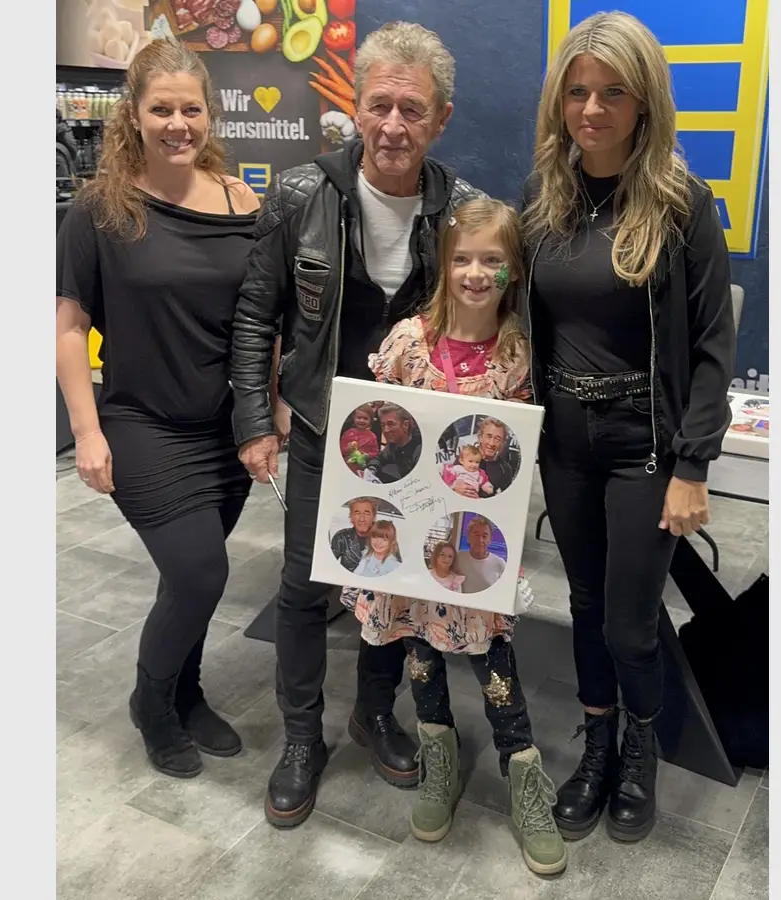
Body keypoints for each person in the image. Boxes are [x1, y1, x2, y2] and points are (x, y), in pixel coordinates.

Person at [227, 21, 486, 828]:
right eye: (380, 105)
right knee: (305, 589)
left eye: (413, 108)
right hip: (317, 424)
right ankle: (302, 738)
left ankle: (376, 714)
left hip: (411, 440)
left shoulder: (461, 212)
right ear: (357, 106)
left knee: (390, 585)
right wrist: (250, 419)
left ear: (441, 117)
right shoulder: (303, 195)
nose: (393, 126)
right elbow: (253, 316)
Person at [521, 12, 736, 845]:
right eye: (577, 91)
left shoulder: (683, 205)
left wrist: (694, 464)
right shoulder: (544, 204)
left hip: (645, 444)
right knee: (582, 603)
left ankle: (639, 751)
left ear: (644, 102)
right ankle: (598, 745)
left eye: (613, 91)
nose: (593, 108)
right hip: (565, 441)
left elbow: (714, 345)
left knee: (629, 621)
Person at [55, 41, 263, 779]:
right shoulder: (101, 208)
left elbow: (259, 321)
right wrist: (86, 431)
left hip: (224, 431)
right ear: (134, 116)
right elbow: (68, 324)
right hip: (140, 424)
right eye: (161, 109)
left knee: (188, 581)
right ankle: (150, 702)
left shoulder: (245, 204)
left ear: (210, 113)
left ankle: (188, 692)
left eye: (191, 109)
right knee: (202, 573)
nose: (178, 123)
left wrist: (267, 414)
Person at [343, 198, 565, 875]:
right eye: (462, 258)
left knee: (495, 661)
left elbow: (514, 459)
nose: (475, 272)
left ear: (513, 272)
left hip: (474, 552)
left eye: (492, 261)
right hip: (411, 547)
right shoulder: (409, 342)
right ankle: (439, 757)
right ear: (443, 265)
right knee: (420, 656)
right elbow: (368, 434)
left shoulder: (517, 357)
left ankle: (524, 776)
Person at [362, 403, 421, 483]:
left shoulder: (419, 450)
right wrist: (370, 471)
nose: (386, 430)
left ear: (405, 425)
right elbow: (379, 458)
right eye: (383, 425)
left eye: (391, 424)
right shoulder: (393, 445)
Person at [452, 515, 506, 594]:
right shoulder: (457, 558)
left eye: (484, 536)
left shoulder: (500, 564)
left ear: (490, 540)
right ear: (468, 537)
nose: (480, 540)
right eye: (476, 534)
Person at [330, 497, 378, 571]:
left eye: (366, 513)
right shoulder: (342, 537)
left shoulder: (385, 538)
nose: (362, 519)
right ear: (351, 517)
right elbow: (328, 566)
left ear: (374, 517)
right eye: (357, 513)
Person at [340, 407, 380, 474]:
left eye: (365, 418)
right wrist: (347, 449)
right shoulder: (348, 433)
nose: (362, 420)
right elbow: (340, 450)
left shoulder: (372, 436)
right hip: (347, 465)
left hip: (363, 467)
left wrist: (367, 455)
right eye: (359, 417)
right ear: (354, 418)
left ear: (371, 420)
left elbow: (376, 452)